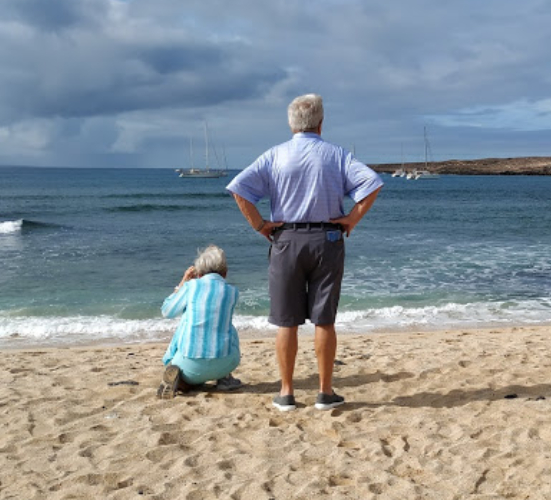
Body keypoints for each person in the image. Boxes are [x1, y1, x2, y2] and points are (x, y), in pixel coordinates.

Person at [226, 93, 383, 412]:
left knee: (287, 322)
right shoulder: (337, 155)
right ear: (321, 123)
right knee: (324, 321)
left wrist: (260, 226)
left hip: (287, 241)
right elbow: (372, 183)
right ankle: (325, 392)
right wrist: (352, 218)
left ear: (290, 123)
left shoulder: (275, 155)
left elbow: (239, 189)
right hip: (327, 239)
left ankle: (286, 393)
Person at [157, 245, 242, 399]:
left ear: (199, 273)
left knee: (188, 322)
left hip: (190, 363)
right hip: (226, 362)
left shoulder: (191, 286)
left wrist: (183, 281)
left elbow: (167, 311)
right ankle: (224, 378)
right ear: (225, 272)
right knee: (226, 327)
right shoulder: (232, 292)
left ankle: (184, 382)